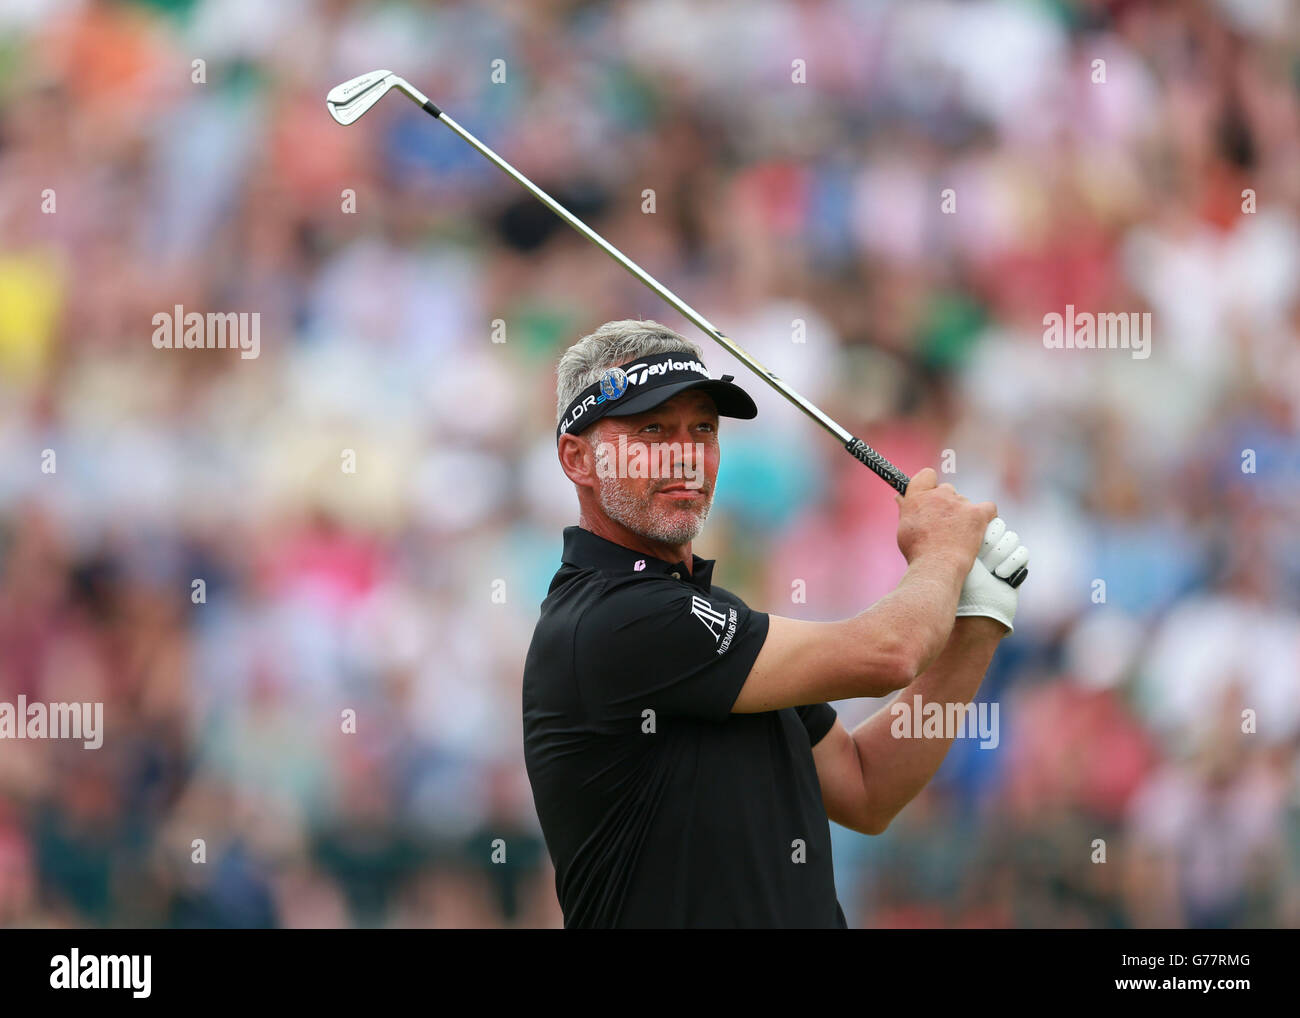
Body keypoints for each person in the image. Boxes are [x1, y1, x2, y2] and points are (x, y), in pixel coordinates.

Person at [522, 320, 1028, 928]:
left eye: (702, 429)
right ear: (577, 458)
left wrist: (979, 619)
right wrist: (944, 552)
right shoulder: (609, 618)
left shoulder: (713, 620)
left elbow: (866, 787)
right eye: (652, 430)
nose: (685, 454)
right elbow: (891, 653)